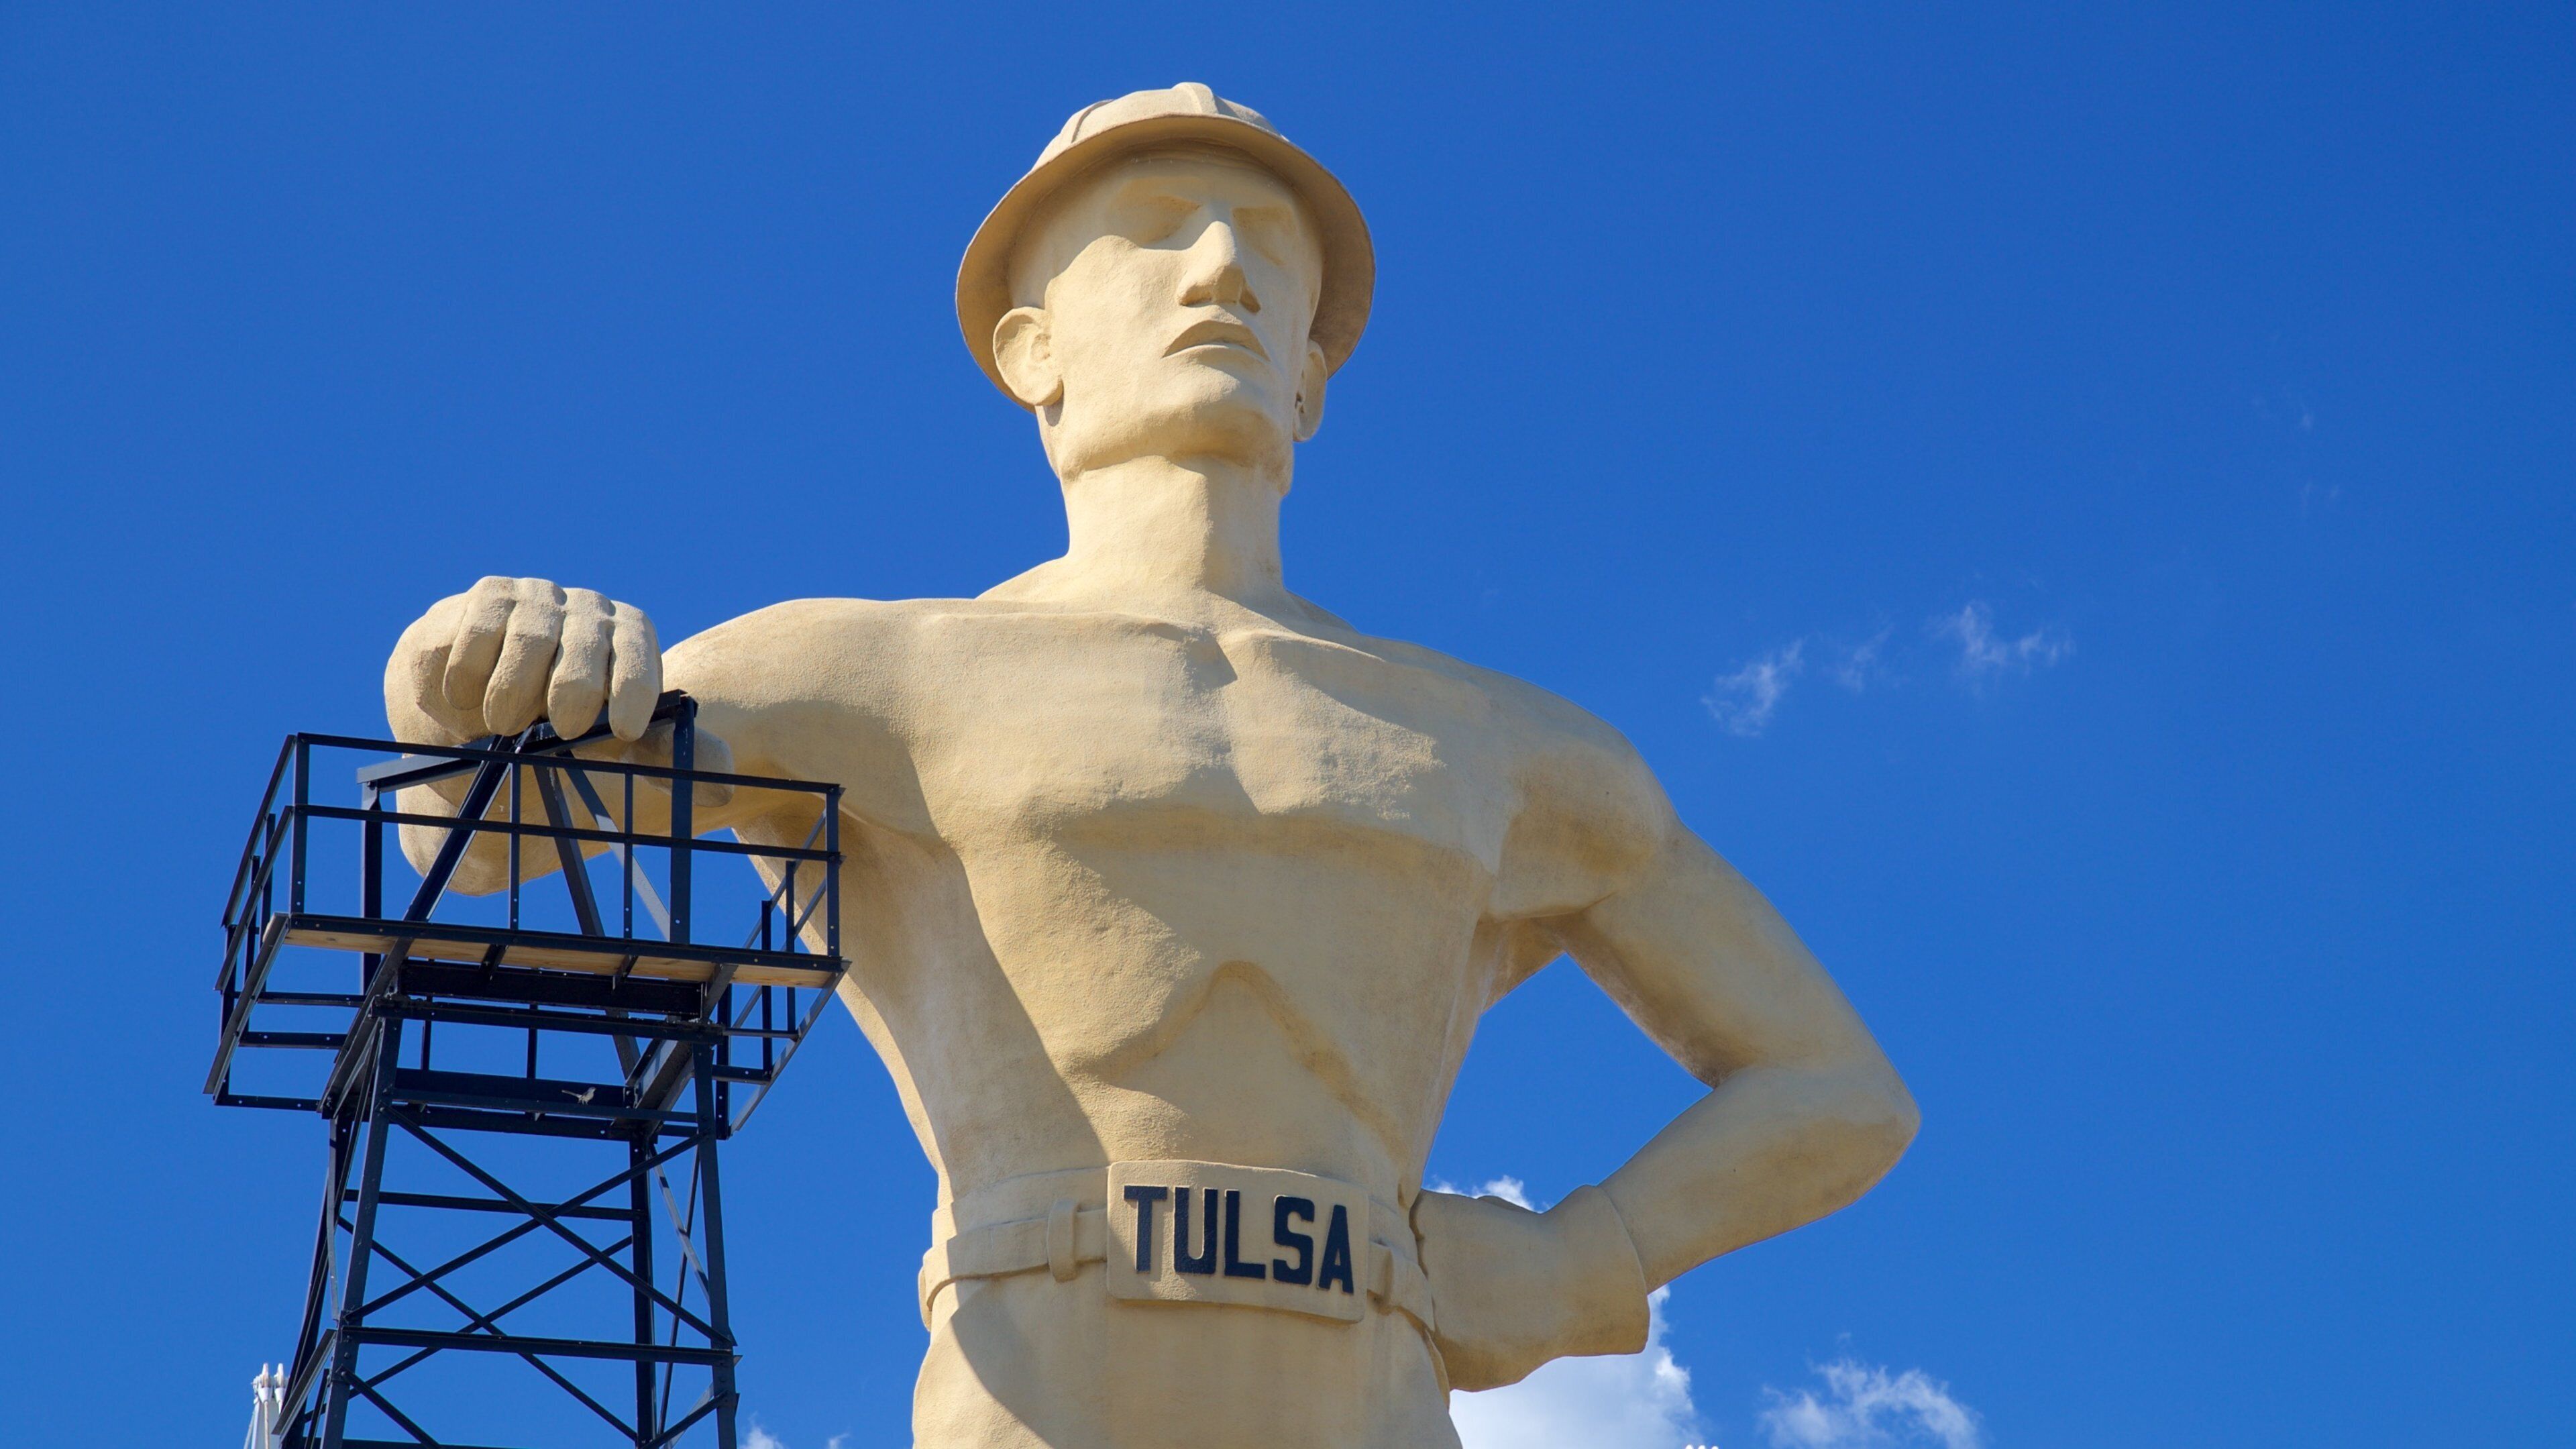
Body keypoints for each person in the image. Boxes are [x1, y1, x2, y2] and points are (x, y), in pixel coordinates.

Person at [384, 83, 1919, 1449]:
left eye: (1267, 250)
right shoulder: (873, 677)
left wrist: (1593, 1256)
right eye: (1154, 231)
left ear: (1312, 377)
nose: (1222, 274)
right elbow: (485, 836)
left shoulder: (1497, 745)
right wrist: (460, 674)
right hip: (1038, 1394)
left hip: (1372, 1393)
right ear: (1030, 348)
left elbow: (1837, 1086)